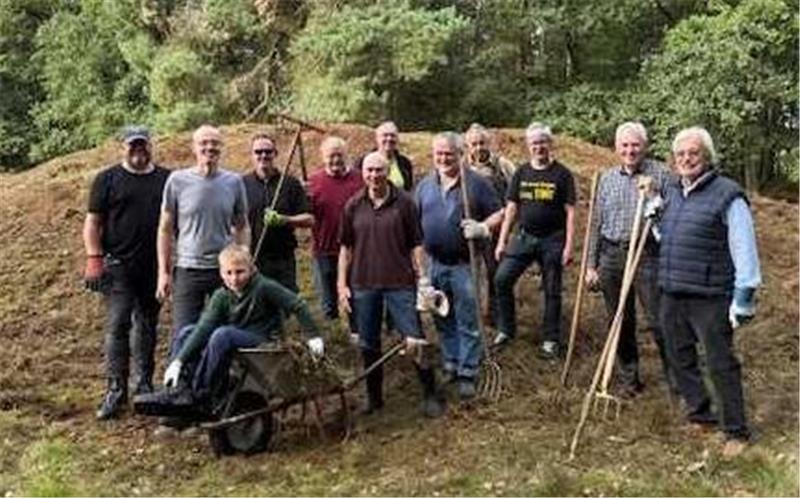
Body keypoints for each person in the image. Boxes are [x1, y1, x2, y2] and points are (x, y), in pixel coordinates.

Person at [659, 126, 761, 458]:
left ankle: (736, 431)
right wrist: (655, 222)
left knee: (720, 362)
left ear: (707, 156)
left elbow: (744, 246)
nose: (686, 159)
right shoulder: (673, 191)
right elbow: (676, 237)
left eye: (694, 153)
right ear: (674, 160)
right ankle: (701, 412)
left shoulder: (727, 194)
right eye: (681, 154)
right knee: (678, 355)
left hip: (711, 294)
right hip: (673, 289)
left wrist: (744, 295)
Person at [337, 152, 444, 418]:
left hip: (400, 283)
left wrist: (423, 279)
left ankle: (430, 394)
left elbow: (416, 243)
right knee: (368, 343)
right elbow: (346, 248)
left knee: (415, 338)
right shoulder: (353, 205)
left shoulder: (405, 203)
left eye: (379, 170)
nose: (374, 176)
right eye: (369, 170)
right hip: (364, 283)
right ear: (363, 173)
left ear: (388, 172)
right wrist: (342, 284)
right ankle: (374, 399)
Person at [159, 244, 324, 414]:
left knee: (222, 334)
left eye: (240, 272)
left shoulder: (264, 287)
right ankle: (179, 390)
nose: (234, 279)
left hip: (263, 338)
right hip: (238, 335)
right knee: (187, 332)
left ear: (251, 269)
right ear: (221, 274)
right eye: (228, 273)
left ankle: (202, 392)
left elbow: (297, 305)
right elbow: (203, 327)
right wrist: (178, 361)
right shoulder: (222, 296)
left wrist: (313, 336)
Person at [83, 126, 171, 419]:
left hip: (153, 265)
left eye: (142, 145)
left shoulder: (166, 179)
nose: (138, 150)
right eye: (132, 145)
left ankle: (143, 384)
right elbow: (93, 222)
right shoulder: (107, 179)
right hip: (117, 263)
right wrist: (94, 257)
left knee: (147, 323)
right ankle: (115, 389)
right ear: (123, 147)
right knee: (118, 324)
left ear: (150, 146)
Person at [584, 122, 674, 396]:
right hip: (612, 255)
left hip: (647, 254)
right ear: (616, 148)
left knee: (659, 320)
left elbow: (673, 217)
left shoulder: (661, 175)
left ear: (644, 147)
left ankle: (678, 380)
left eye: (635, 145)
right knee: (619, 320)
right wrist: (590, 264)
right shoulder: (607, 179)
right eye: (624, 145)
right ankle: (629, 379)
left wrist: (654, 199)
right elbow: (595, 224)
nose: (630, 150)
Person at [416, 132, 503, 399]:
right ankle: (451, 362)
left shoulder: (475, 183)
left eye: (449, 154)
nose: (443, 158)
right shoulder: (424, 186)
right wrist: (421, 274)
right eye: (438, 154)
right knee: (442, 317)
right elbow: (414, 224)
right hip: (434, 264)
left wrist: (483, 227)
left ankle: (468, 370)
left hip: (465, 264)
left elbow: (500, 212)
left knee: (467, 318)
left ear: (460, 154)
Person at [156, 125, 250, 335]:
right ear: (194, 148)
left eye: (215, 143)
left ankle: (222, 369)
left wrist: (244, 259)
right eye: (204, 143)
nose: (210, 147)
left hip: (225, 271)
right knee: (185, 333)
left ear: (222, 147)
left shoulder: (234, 182)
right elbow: (165, 229)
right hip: (188, 269)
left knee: (226, 331)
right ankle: (181, 367)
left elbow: (242, 225)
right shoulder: (177, 181)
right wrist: (163, 272)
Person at [494, 122, 576, 358]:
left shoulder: (562, 174)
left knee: (552, 290)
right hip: (524, 237)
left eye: (542, 142)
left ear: (550, 144)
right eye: (534, 143)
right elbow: (511, 209)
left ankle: (550, 339)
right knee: (502, 279)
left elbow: (570, 212)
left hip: (553, 240)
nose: (538, 147)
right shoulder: (521, 172)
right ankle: (506, 330)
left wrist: (568, 246)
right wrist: (502, 242)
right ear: (528, 146)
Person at [243, 132, 313, 292]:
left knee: (283, 304)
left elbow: (309, 219)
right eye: (258, 152)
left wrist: (285, 219)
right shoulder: (242, 184)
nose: (263, 155)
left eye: (268, 151)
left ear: (275, 153)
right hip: (253, 256)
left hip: (283, 258)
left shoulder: (290, 184)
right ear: (251, 155)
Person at [463, 123, 516, 326]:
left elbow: (516, 195)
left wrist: (510, 224)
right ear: (468, 146)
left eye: (482, 143)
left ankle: (497, 316)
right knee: (472, 273)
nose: (478, 148)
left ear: (489, 143)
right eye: (474, 144)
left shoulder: (503, 166)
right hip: (471, 228)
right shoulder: (463, 166)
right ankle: (473, 313)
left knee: (497, 274)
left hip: (497, 228)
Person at [307, 136, 364, 321]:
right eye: (331, 156)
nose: (335, 160)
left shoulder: (359, 179)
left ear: (346, 155)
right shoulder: (314, 181)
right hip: (324, 249)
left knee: (356, 296)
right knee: (328, 300)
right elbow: (307, 214)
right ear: (323, 157)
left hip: (355, 249)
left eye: (339, 155)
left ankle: (358, 334)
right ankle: (334, 338)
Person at [354, 121, 414, 191]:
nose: (389, 138)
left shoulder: (404, 163)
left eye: (392, 135)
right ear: (377, 138)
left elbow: (408, 189)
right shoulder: (363, 162)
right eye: (385, 135)